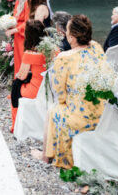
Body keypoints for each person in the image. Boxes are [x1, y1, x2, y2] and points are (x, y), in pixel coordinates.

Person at [31, 15, 106, 168]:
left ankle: (45, 156)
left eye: (66, 31)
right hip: (104, 112)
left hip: (80, 119)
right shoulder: (97, 47)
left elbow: (60, 95)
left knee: (53, 111)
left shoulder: (64, 57)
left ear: (71, 37)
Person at [10, 20, 47, 131]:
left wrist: (17, 74)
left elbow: (21, 75)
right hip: (48, 86)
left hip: (36, 89)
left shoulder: (30, 53)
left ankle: (15, 125)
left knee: (15, 86)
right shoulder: (52, 49)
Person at [5, 0, 33, 77]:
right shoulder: (18, 1)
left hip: (23, 36)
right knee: (17, 59)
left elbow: (27, 22)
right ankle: (17, 85)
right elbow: (16, 18)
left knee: (23, 59)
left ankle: (22, 85)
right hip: (17, 36)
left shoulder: (27, 3)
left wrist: (14, 30)